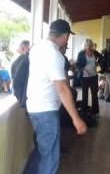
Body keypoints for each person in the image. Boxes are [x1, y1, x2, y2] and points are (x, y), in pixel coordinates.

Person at [23, 19, 87, 174]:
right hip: (45, 110)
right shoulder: (53, 53)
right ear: (65, 36)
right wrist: (76, 118)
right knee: (50, 157)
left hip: (34, 106)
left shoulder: (37, 48)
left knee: (41, 151)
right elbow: (63, 88)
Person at [76, 39, 101, 115]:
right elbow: (78, 65)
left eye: (90, 45)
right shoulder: (81, 53)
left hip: (94, 76)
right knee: (85, 94)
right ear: (84, 45)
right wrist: (83, 70)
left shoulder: (94, 52)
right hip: (85, 77)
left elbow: (102, 57)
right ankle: (84, 111)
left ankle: (95, 111)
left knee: (94, 94)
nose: (89, 47)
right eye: (87, 45)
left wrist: (98, 62)